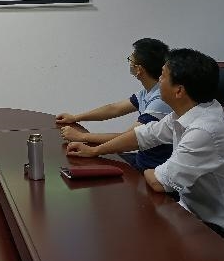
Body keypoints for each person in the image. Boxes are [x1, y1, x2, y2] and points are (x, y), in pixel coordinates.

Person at [66, 48, 224, 259]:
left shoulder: (204, 130)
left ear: (179, 91)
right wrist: (94, 150)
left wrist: (145, 169)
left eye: (163, 76)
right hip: (195, 215)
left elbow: (159, 183)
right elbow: (142, 136)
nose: (158, 80)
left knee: (137, 249)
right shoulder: (186, 113)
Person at [56, 38, 173, 170]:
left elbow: (128, 138)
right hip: (142, 158)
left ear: (139, 69)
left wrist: (82, 136)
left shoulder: (160, 100)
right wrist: (75, 117)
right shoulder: (148, 92)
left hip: (154, 167)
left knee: (88, 167)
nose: (129, 63)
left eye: (130, 60)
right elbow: (114, 109)